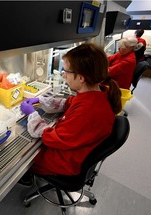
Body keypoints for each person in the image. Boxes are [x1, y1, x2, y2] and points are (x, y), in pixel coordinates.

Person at [18, 43, 122, 186]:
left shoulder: (88, 111)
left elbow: (52, 138)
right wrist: (41, 100)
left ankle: (27, 176)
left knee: (22, 156)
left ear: (81, 78)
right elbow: (69, 103)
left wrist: (32, 116)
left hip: (66, 162)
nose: (63, 74)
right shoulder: (98, 94)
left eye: (66, 71)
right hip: (77, 150)